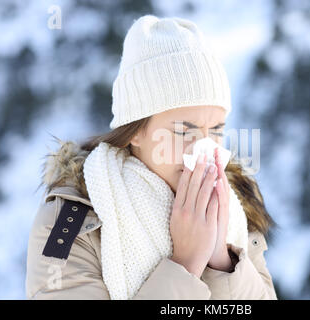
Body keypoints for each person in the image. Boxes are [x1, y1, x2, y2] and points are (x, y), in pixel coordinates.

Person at [26, 14, 278, 300]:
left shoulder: (234, 208)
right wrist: (186, 263)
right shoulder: (70, 222)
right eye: (185, 131)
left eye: (216, 130)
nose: (205, 150)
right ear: (136, 131)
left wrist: (221, 258)